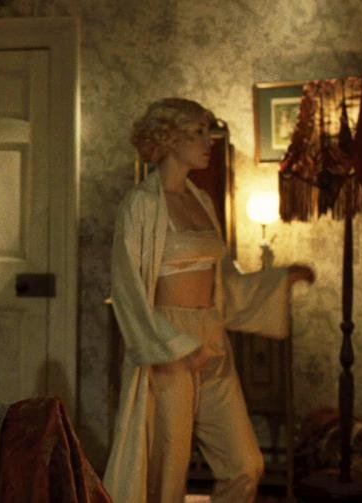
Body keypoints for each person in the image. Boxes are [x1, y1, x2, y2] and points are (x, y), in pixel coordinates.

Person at [103, 98, 314, 502]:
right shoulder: (142, 205)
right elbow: (128, 288)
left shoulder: (202, 201)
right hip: (168, 343)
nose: (209, 141)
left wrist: (278, 280)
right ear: (169, 138)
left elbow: (224, 283)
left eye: (208, 131)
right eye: (198, 132)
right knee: (167, 470)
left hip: (212, 338)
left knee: (245, 465)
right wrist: (175, 345)